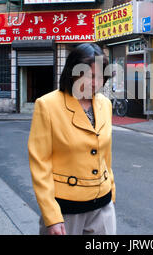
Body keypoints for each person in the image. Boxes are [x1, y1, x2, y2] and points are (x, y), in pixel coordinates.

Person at [28, 43, 116, 235]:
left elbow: (105, 155)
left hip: (103, 206)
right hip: (65, 210)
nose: (95, 83)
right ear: (72, 72)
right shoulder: (47, 105)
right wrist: (51, 216)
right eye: (90, 76)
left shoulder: (105, 104)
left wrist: (111, 191)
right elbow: (40, 164)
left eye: (100, 77)